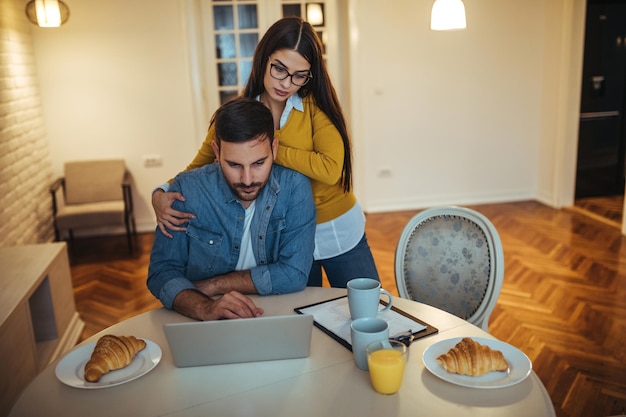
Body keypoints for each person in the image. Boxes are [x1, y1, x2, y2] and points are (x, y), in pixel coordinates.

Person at [152, 16, 379, 288]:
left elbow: (330, 170)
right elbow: (198, 166)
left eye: (299, 75)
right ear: (263, 58)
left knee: (366, 307)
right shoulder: (238, 116)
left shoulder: (316, 109)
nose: (286, 83)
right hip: (285, 237)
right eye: (279, 69)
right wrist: (160, 193)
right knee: (305, 317)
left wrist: (269, 147)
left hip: (337, 228)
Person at [147, 98, 316, 321]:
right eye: (234, 165)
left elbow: (294, 274)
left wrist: (216, 284)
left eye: (258, 163)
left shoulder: (295, 188)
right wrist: (204, 307)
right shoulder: (186, 190)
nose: (247, 180)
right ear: (216, 152)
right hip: (202, 318)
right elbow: (162, 272)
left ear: (274, 148)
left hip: (276, 311)